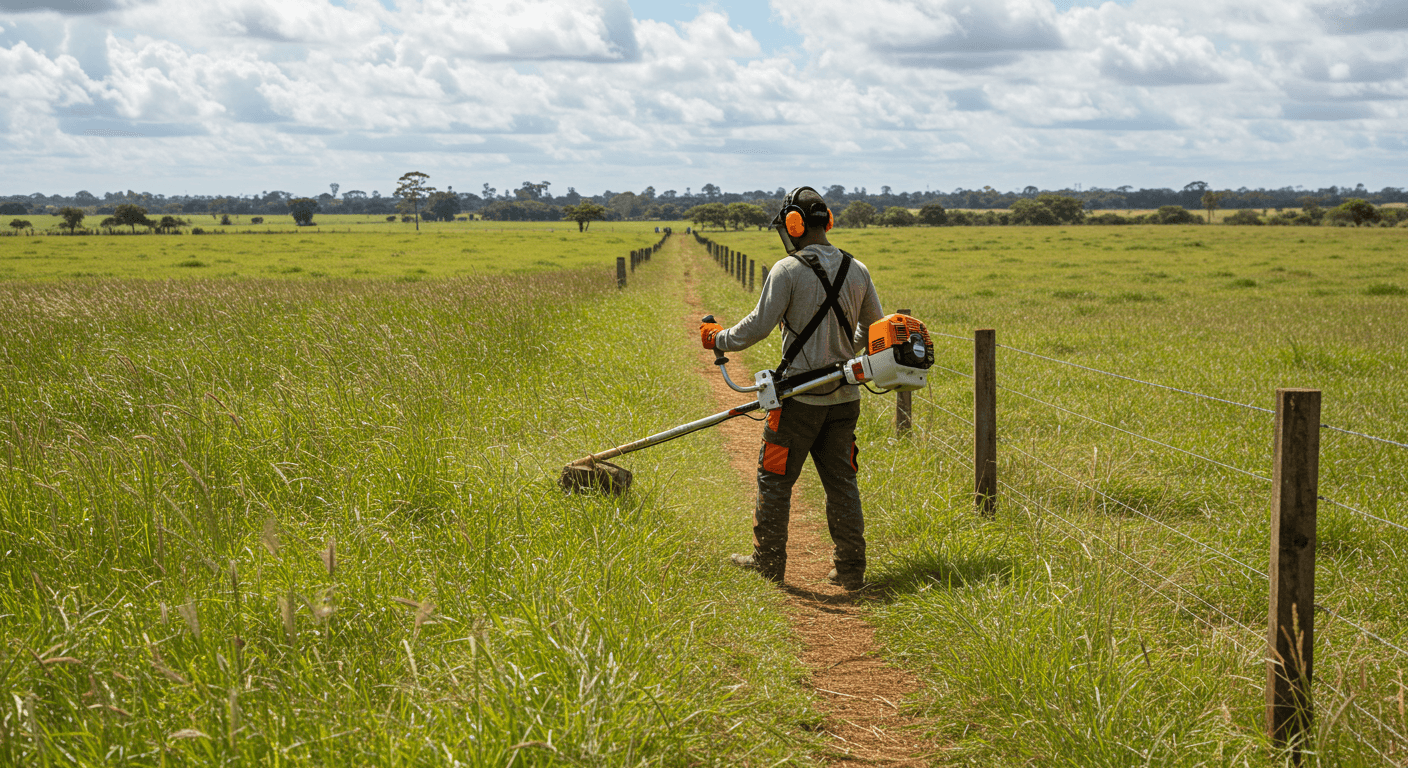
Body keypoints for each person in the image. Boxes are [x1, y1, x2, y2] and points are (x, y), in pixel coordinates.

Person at [699, 187, 884, 590]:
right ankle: (851, 569)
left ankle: (767, 564)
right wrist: (840, 352)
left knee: (774, 478)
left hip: (798, 402)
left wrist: (718, 338)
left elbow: (756, 328)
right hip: (845, 398)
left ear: (793, 224)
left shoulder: (788, 270)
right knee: (842, 483)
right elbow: (873, 331)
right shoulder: (858, 269)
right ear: (828, 221)